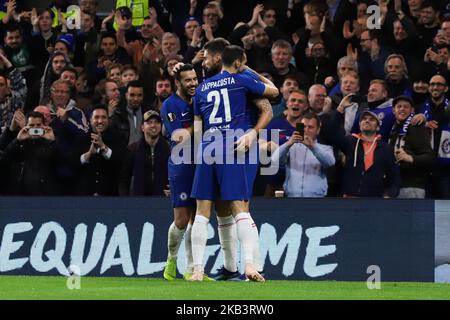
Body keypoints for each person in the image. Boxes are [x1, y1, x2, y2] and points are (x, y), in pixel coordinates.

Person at [190, 45, 278, 282]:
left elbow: (198, 125)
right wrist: (252, 134)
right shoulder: (242, 80)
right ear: (239, 63)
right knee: (240, 208)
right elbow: (274, 91)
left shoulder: (202, 87)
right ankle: (249, 266)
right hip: (234, 145)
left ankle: (197, 270)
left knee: (201, 212)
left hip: (208, 148)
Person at [160, 64, 201, 281]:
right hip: (182, 164)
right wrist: (198, 125)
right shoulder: (170, 105)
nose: (193, 83)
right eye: (188, 80)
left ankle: (193, 269)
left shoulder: (201, 98)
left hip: (203, 163)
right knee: (182, 220)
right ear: (178, 83)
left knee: (199, 218)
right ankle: (171, 261)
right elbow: (178, 137)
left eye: (195, 79)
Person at [329, 104, 400, 198]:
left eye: (371, 120)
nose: (367, 121)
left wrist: (388, 195)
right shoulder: (349, 142)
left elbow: (394, 176)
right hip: (349, 198)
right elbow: (331, 133)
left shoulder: (386, 148)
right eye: (364, 119)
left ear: (378, 127)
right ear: (359, 125)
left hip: (375, 200)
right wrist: (340, 109)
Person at [271, 112, 335, 197]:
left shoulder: (325, 149)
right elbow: (274, 160)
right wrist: (289, 143)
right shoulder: (291, 147)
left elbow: (330, 162)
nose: (306, 130)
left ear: (318, 130)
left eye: (310, 127)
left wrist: (312, 147)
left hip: (317, 199)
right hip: (291, 198)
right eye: (303, 126)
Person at [0, 111, 58, 195]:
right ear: (25, 126)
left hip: (44, 193)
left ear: (44, 126)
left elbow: (62, 161)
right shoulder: (19, 142)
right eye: (31, 125)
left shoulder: (50, 142)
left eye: (38, 125)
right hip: (19, 193)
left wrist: (52, 142)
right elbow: (3, 160)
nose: (35, 128)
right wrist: (17, 141)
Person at [389, 95, 434, 198]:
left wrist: (410, 158)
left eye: (406, 107)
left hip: (413, 186)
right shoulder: (393, 128)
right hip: (395, 185)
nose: (402, 109)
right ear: (393, 110)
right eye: (399, 106)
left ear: (412, 110)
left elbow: (430, 157)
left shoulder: (416, 127)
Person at [77, 104, 125, 196]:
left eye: (103, 117)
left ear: (108, 120)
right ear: (90, 120)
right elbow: (74, 163)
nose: (100, 121)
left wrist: (104, 148)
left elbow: (120, 163)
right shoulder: (81, 138)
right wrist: (89, 154)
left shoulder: (118, 138)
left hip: (109, 196)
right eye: (96, 117)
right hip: (85, 196)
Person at [119, 110, 169, 196]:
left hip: (163, 201)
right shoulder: (132, 150)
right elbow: (124, 179)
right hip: (138, 202)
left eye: (157, 122)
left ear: (161, 126)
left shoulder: (169, 150)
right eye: (149, 122)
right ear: (142, 127)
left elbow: (175, 176)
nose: (153, 125)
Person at [110, 81, 150, 146]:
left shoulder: (149, 114)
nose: (136, 99)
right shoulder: (117, 115)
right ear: (126, 95)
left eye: (139, 95)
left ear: (143, 96)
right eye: (132, 95)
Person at [0, 51, 27, 133]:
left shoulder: (13, 103)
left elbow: (20, 86)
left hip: (9, 142)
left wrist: (6, 62)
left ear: (7, 89)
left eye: (1, 85)